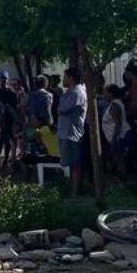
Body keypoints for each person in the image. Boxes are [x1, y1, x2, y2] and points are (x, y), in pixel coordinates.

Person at [57, 67, 88, 196]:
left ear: (71, 78)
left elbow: (63, 108)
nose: (63, 80)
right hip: (65, 132)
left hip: (73, 133)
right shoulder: (69, 92)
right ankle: (71, 189)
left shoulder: (77, 92)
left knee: (75, 164)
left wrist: (60, 106)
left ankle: (75, 193)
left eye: (65, 77)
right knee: (70, 163)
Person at [101, 84, 133, 177]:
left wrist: (114, 139)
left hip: (120, 136)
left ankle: (123, 179)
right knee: (115, 159)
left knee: (119, 159)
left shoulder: (115, 106)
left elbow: (118, 124)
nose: (104, 96)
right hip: (114, 137)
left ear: (111, 94)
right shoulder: (113, 104)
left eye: (105, 93)